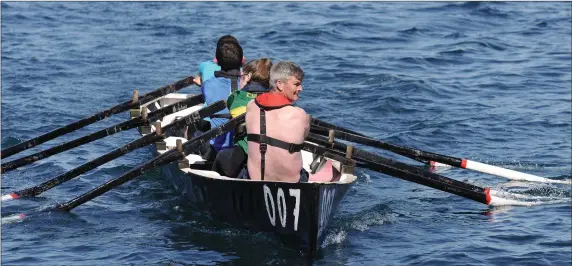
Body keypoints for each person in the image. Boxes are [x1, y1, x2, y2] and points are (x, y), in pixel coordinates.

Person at [245, 61, 310, 182]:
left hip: (257, 182)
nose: (301, 88)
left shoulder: (251, 106)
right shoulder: (299, 115)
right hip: (292, 185)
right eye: (297, 84)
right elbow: (304, 137)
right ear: (279, 84)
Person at [212, 58, 273, 178]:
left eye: (241, 76)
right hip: (273, 152)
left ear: (248, 76)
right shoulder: (277, 99)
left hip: (245, 154)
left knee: (222, 156)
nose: (240, 79)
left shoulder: (236, 97)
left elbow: (231, 103)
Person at [196, 40, 243, 160]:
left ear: (217, 61)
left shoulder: (208, 85)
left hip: (216, 149)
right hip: (240, 149)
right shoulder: (245, 85)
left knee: (197, 132)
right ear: (242, 60)